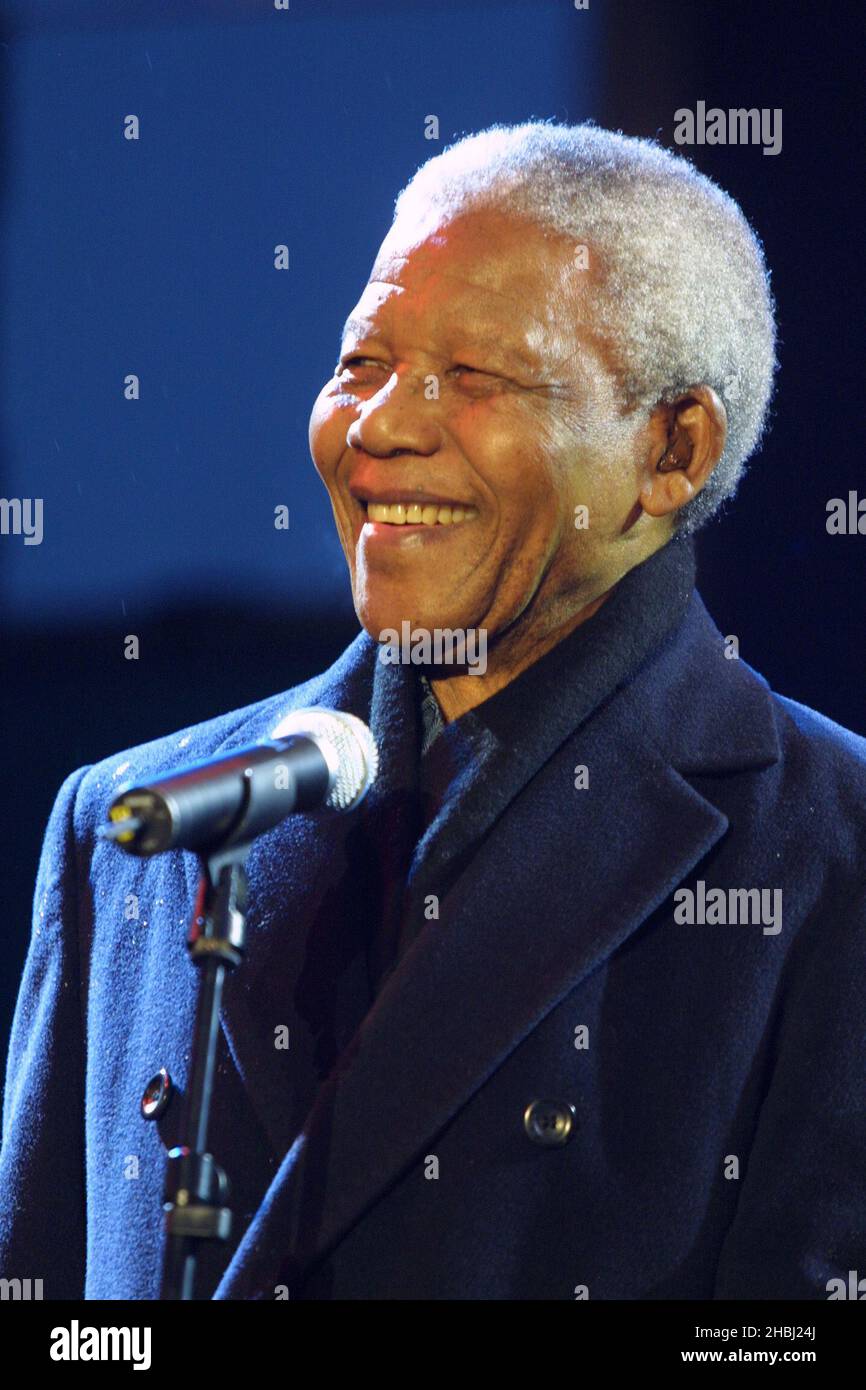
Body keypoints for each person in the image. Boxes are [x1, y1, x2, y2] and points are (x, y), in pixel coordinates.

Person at [2, 121, 864, 1300]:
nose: (380, 425)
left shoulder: (828, 852)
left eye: (475, 378)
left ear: (671, 447)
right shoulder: (135, 827)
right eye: (360, 363)